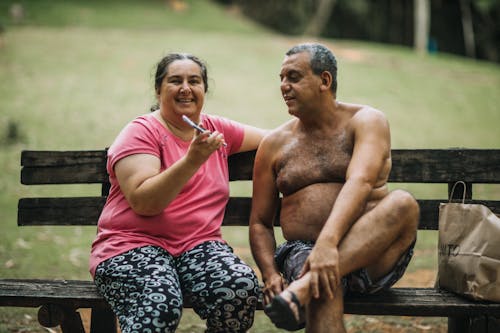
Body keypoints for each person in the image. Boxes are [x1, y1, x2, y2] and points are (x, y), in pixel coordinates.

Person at [89, 52, 267, 333]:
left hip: (197, 246)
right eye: (175, 80)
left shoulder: (217, 130)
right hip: (131, 246)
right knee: (160, 302)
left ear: (204, 90)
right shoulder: (141, 132)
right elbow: (145, 203)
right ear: (159, 89)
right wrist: (192, 160)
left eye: (194, 81)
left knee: (239, 287)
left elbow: (275, 139)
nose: (186, 88)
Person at [249, 43, 420, 332]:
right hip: (302, 252)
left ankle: (302, 288)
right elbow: (260, 222)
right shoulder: (274, 144)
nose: (283, 86)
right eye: (281, 78)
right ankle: (307, 285)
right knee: (323, 281)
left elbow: (361, 181)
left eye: (293, 77)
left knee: (403, 203)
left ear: (324, 81)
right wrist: (269, 273)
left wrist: (328, 245)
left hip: (374, 257)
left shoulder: (366, 121)